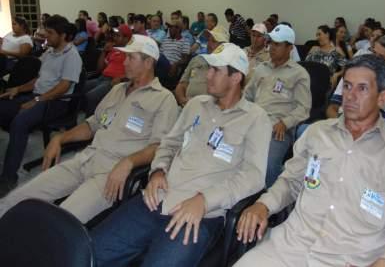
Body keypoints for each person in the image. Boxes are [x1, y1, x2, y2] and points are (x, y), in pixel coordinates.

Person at [235, 54, 385, 267]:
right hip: (289, 248)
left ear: (382, 98)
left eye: (362, 88)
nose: (350, 96)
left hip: (350, 260)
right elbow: (290, 181)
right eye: (347, 86)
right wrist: (264, 205)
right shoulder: (316, 134)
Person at [90, 43, 272, 267]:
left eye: (216, 70)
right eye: (208, 69)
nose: (208, 76)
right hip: (157, 198)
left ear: (236, 78)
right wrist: (158, 171)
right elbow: (169, 143)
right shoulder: (196, 105)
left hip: (200, 215)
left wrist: (204, 200)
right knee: (94, 250)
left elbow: (253, 176)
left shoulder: (255, 118)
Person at [0, 35, 178, 224]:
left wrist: (129, 162)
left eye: (130, 58)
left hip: (111, 174)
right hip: (86, 158)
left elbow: (159, 146)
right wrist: (60, 138)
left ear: (148, 62)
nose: (124, 63)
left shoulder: (164, 99)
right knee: (18, 198)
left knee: (59, 223)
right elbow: (92, 124)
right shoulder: (118, 90)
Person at [0, 15, 82, 196]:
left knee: (20, 122)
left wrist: (36, 100)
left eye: (51, 33)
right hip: (39, 96)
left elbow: (64, 87)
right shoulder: (49, 53)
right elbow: (39, 79)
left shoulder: (72, 55)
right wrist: (19, 89)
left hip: (57, 102)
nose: (47, 36)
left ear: (63, 36)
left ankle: (8, 178)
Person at [244, 24, 311, 187]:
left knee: (267, 164)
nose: (272, 47)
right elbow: (247, 96)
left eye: (278, 44)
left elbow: (303, 108)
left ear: (290, 47)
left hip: (277, 128)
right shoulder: (261, 69)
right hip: (253, 122)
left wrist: (285, 123)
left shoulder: (299, 74)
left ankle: (271, 200)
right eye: (271, 43)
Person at [327, 34, 385, 136]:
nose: (373, 59)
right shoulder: (350, 79)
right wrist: (344, 127)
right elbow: (332, 107)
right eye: (373, 52)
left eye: (381, 57)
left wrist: (371, 134)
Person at [83, 24, 132, 117]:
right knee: (80, 87)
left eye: (118, 36)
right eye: (115, 35)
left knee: (91, 96)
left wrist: (121, 78)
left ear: (127, 38)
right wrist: (104, 51)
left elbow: (135, 72)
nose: (115, 38)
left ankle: (90, 124)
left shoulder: (131, 52)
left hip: (113, 81)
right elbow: (99, 69)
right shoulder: (113, 50)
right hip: (101, 78)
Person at [175, 26, 229, 107]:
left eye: (213, 41)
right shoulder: (197, 59)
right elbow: (181, 85)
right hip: (187, 106)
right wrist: (183, 101)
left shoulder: (228, 67)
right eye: (208, 40)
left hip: (211, 111)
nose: (209, 44)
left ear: (224, 46)